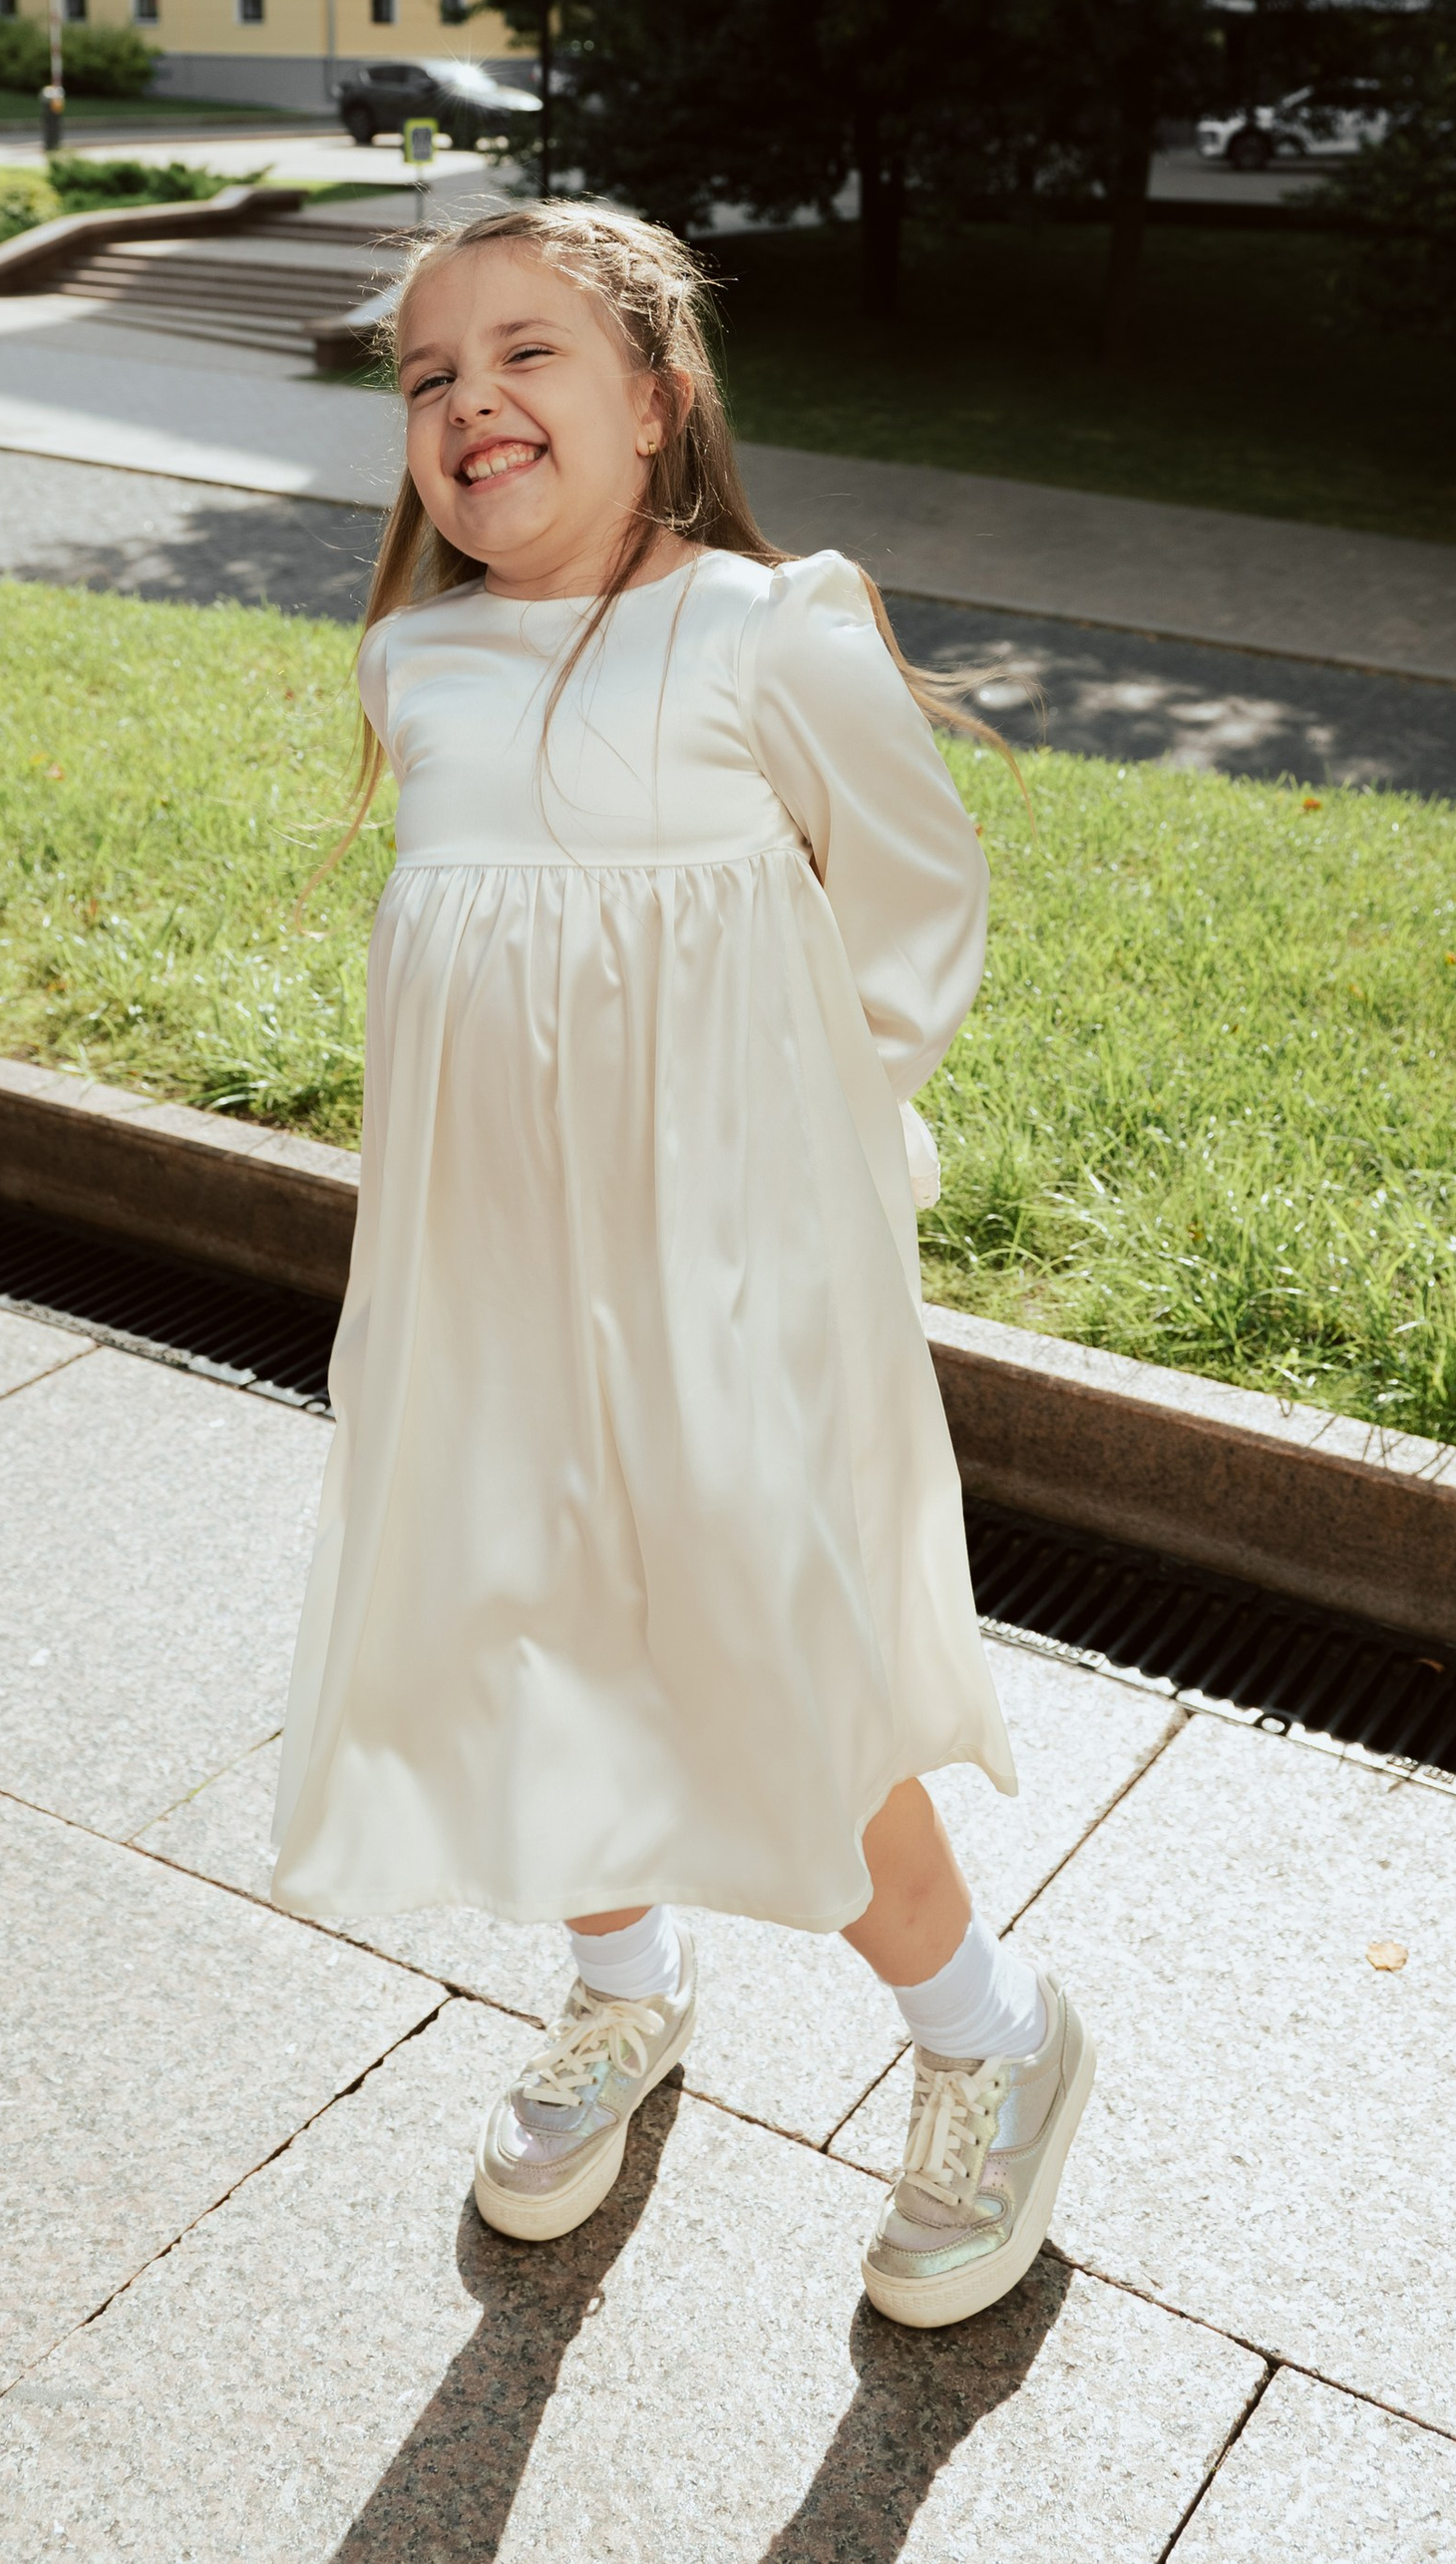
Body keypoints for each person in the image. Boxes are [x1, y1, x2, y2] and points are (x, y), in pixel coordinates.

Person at [272, 199, 1097, 2329]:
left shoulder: (765, 634)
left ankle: (989, 2039)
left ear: (652, 404)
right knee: (520, 1608)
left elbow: (911, 905)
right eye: (429, 377)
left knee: (764, 1633)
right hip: (490, 1269)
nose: (471, 402)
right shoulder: (419, 663)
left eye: (525, 354)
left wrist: (819, 1145)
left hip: (727, 1261)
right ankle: (620, 1987)